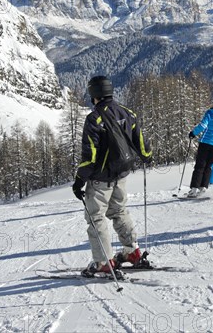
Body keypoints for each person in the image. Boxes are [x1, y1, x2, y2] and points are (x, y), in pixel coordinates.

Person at [72, 75, 152, 277]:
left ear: (93, 94)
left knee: (96, 217)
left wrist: (80, 179)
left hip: (101, 177)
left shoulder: (94, 118)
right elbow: (141, 141)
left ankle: (103, 262)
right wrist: (146, 156)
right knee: (118, 211)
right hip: (121, 173)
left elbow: (90, 155)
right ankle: (132, 251)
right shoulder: (127, 112)